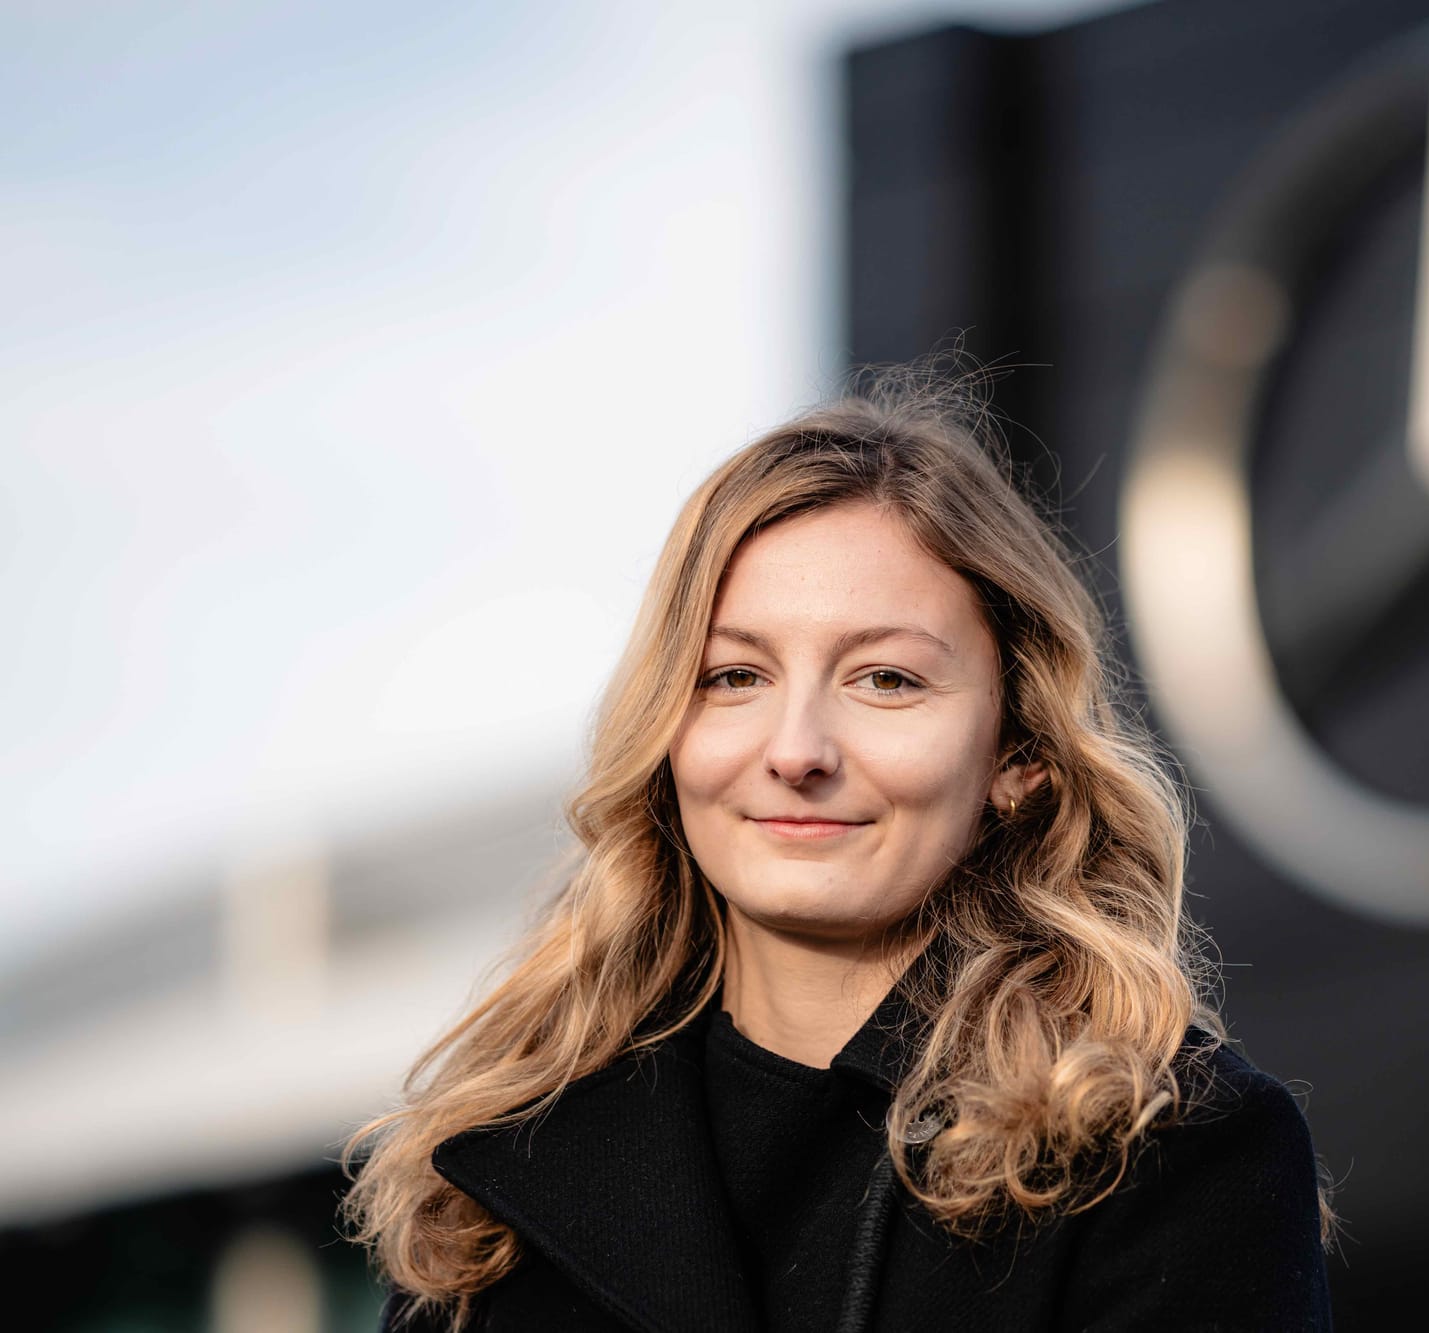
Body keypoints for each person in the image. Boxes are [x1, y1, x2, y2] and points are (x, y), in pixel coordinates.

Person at [343, 366, 1336, 1331]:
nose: (796, 751)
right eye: (734, 676)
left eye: (886, 680)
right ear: (663, 732)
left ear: (1018, 751)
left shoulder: (1168, 1155)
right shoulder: (493, 1183)